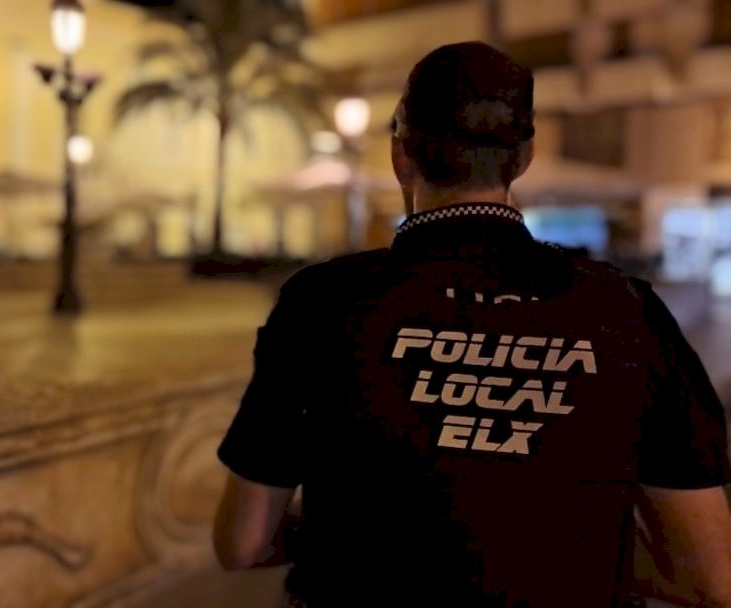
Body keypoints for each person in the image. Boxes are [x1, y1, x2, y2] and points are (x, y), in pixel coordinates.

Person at [213, 42, 731, 607]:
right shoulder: (626, 312)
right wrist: (564, 544)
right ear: (524, 156)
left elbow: (241, 542)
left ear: (401, 155)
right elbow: (709, 578)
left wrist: (360, 530)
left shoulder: (320, 301)